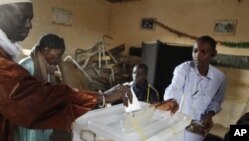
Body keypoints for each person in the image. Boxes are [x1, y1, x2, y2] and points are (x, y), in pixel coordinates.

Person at [0, 1, 132, 141]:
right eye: (23, 18)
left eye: (31, 19)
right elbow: (38, 99)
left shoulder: (10, 56)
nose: (29, 25)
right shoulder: (14, 65)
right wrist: (102, 97)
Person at [155, 36, 227, 141]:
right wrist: (173, 101)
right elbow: (175, 87)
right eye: (195, 50)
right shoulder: (183, 69)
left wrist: (210, 114)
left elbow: (217, 100)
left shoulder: (220, 78)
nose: (197, 55)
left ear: (213, 54)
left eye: (203, 52)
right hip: (177, 122)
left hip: (198, 127)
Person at [16, 34, 69, 141]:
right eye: (58, 55)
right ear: (46, 51)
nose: (59, 59)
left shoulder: (48, 69)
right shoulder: (26, 66)